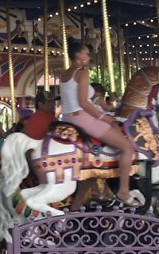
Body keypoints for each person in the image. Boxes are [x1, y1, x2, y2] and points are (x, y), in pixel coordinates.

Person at [60, 40, 140, 208]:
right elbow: (83, 102)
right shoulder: (82, 72)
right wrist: (103, 117)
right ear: (78, 55)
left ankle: (75, 207)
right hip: (81, 117)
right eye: (86, 54)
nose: (89, 57)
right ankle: (123, 191)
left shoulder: (65, 73)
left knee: (93, 169)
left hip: (67, 118)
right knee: (128, 148)